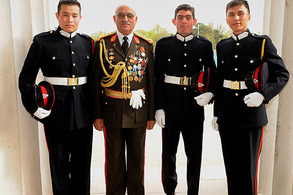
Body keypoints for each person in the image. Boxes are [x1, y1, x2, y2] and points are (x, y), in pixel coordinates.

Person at [212, 0, 289, 194]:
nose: (236, 18)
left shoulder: (262, 43)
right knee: (232, 170)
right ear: (226, 18)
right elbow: (221, 81)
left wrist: (263, 95)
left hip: (251, 116)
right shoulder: (223, 46)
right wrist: (216, 113)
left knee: (248, 172)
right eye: (231, 14)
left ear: (248, 16)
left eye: (240, 13)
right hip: (228, 115)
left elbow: (282, 74)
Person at [18, 0, 94, 194]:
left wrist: (97, 112)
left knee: (82, 164)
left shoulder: (88, 43)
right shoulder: (42, 41)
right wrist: (33, 108)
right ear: (57, 16)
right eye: (65, 14)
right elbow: (26, 78)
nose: (70, 19)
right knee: (59, 164)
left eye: (74, 15)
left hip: (83, 112)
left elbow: (93, 81)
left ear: (80, 17)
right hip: (55, 112)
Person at [90, 5, 155, 195]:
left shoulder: (145, 45)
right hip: (112, 110)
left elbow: (151, 82)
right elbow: (95, 84)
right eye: (121, 15)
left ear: (136, 19)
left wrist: (151, 115)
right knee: (114, 161)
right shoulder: (102, 45)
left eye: (129, 15)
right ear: (114, 18)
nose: (125, 18)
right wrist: (97, 115)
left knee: (137, 159)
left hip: (138, 111)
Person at [154, 4, 216, 195]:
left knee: (194, 153)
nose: (184, 21)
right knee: (168, 153)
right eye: (180, 17)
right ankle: (169, 190)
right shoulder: (164, 45)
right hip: (170, 106)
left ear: (194, 21)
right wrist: (159, 107)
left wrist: (211, 93)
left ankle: (193, 191)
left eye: (188, 17)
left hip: (193, 105)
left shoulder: (204, 45)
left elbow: (213, 73)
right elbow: (157, 77)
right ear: (174, 21)